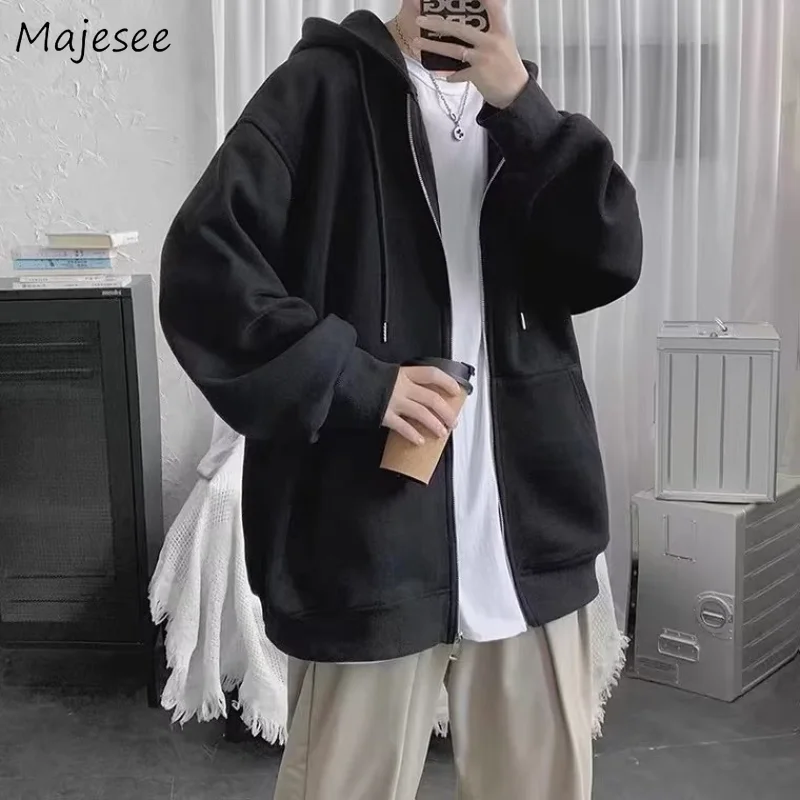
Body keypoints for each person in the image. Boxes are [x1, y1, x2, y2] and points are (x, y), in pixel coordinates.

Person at [159, 1, 643, 797]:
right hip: (367, 544)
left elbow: (610, 260)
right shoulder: (318, 90)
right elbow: (205, 275)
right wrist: (356, 380)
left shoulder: (520, 113)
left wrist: (525, 110)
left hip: (526, 541)